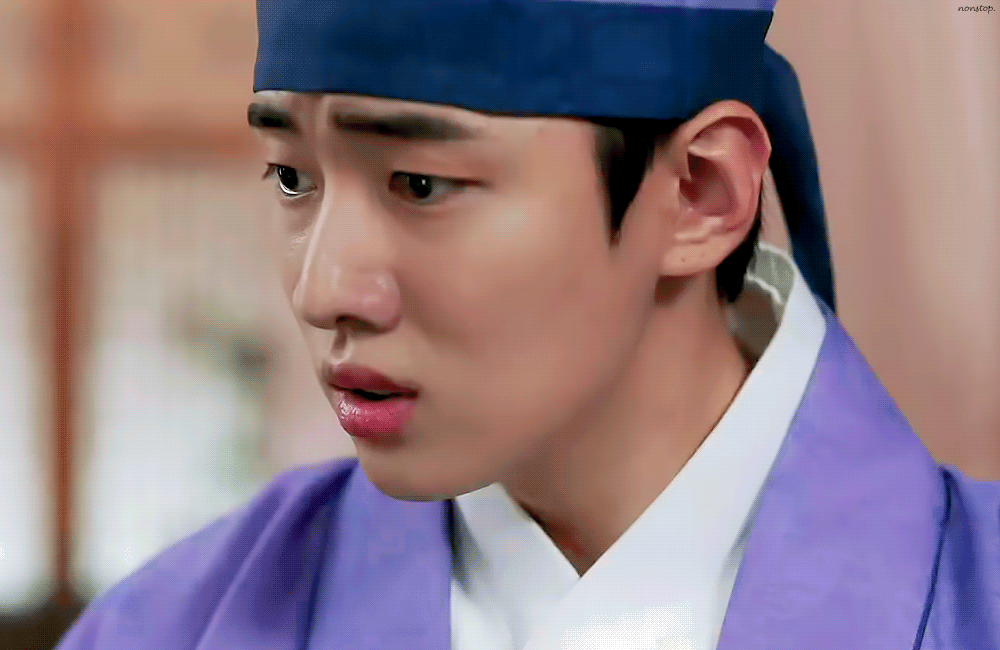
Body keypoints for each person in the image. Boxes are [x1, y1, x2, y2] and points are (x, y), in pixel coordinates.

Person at [56, 1, 999, 649]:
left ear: (699, 192)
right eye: (293, 176)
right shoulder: (171, 626)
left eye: (420, 183)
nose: (322, 289)